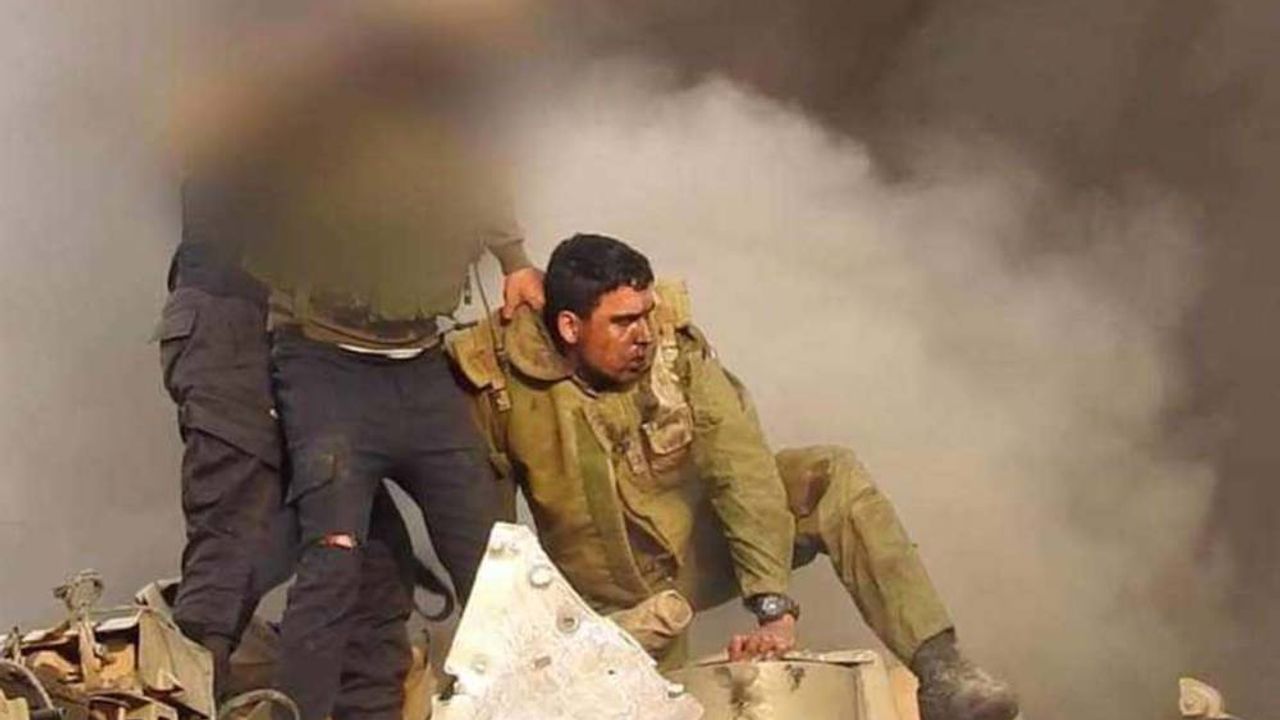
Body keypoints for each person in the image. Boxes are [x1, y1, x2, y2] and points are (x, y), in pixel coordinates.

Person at [447, 234, 1020, 720]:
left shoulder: (674, 352)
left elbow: (739, 466)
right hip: (605, 603)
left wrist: (773, 605)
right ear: (570, 326)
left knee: (829, 476)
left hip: (697, 547)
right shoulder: (498, 383)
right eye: (622, 322)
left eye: (645, 313)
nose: (643, 334)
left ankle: (943, 673)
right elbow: (489, 540)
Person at [170, 8, 545, 720]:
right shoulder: (292, 115)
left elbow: (475, 179)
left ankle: (530, 702)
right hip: (326, 368)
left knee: (491, 555)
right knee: (330, 555)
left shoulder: (442, 117)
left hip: (420, 366)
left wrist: (516, 261)